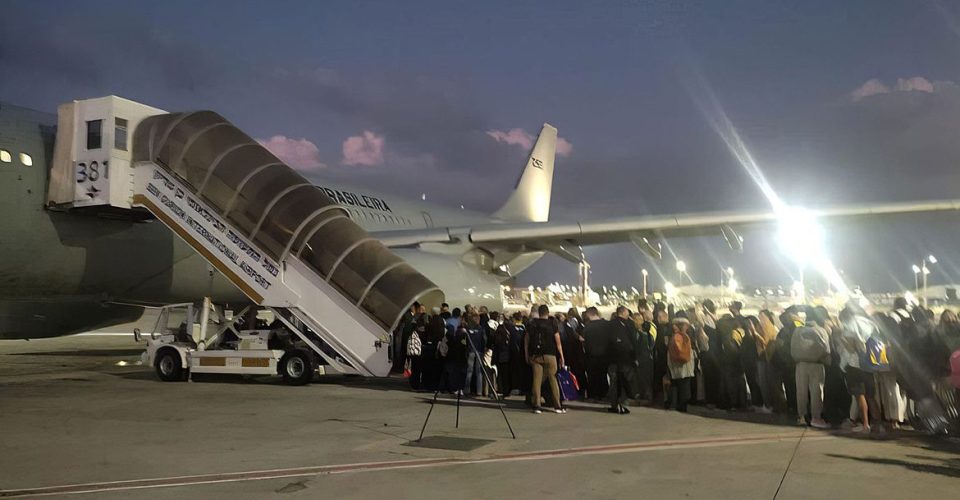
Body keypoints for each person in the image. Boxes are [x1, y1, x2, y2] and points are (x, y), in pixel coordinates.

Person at [838, 306, 878, 433]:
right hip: (869, 365)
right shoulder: (868, 325)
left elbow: (851, 350)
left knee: (860, 396)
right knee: (871, 396)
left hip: (854, 366)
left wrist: (841, 339)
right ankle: (878, 424)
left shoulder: (848, 330)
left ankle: (865, 425)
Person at [790, 308, 831, 429]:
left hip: (800, 364)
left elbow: (792, 348)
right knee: (816, 391)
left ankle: (802, 416)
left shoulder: (798, 330)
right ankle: (816, 417)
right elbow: (826, 349)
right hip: (816, 364)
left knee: (801, 391)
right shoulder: (821, 330)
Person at [525, 304, 566, 414]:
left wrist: (526, 354)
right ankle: (557, 405)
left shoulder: (532, 323)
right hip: (550, 354)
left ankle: (537, 405)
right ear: (548, 313)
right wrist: (562, 356)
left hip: (536, 355)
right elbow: (558, 342)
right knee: (553, 379)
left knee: (537, 380)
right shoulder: (552, 323)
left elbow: (526, 340)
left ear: (539, 313)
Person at [666, 317, 708, 412]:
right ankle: (682, 406)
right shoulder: (683, 336)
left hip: (675, 364)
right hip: (684, 364)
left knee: (676, 384)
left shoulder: (673, 336)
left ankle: (675, 404)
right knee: (684, 385)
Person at [607, 306, 640, 414]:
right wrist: (635, 357)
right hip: (626, 359)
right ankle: (622, 404)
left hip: (612, 359)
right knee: (624, 382)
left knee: (614, 382)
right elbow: (634, 342)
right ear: (623, 313)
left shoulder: (610, 324)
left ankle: (614, 404)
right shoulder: (629, 324)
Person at [582, 307, 610, 401]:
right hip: (605, 354)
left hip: (591, 355)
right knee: (603, 375)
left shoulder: (587, 326)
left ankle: (594, 395)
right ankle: (604, 393)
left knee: (593, 376)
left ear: (588, 314)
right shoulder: (606, 324)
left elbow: (584, 340)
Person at [462, 312, 486, 396]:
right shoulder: (481, 329)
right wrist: (483, 350)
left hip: (471, 351)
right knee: (479, 372)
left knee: (469, 371)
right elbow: (484, 340)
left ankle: (467, 389)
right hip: (479, 351)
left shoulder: (468, 329)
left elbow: (465, 341)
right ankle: (479, 391)